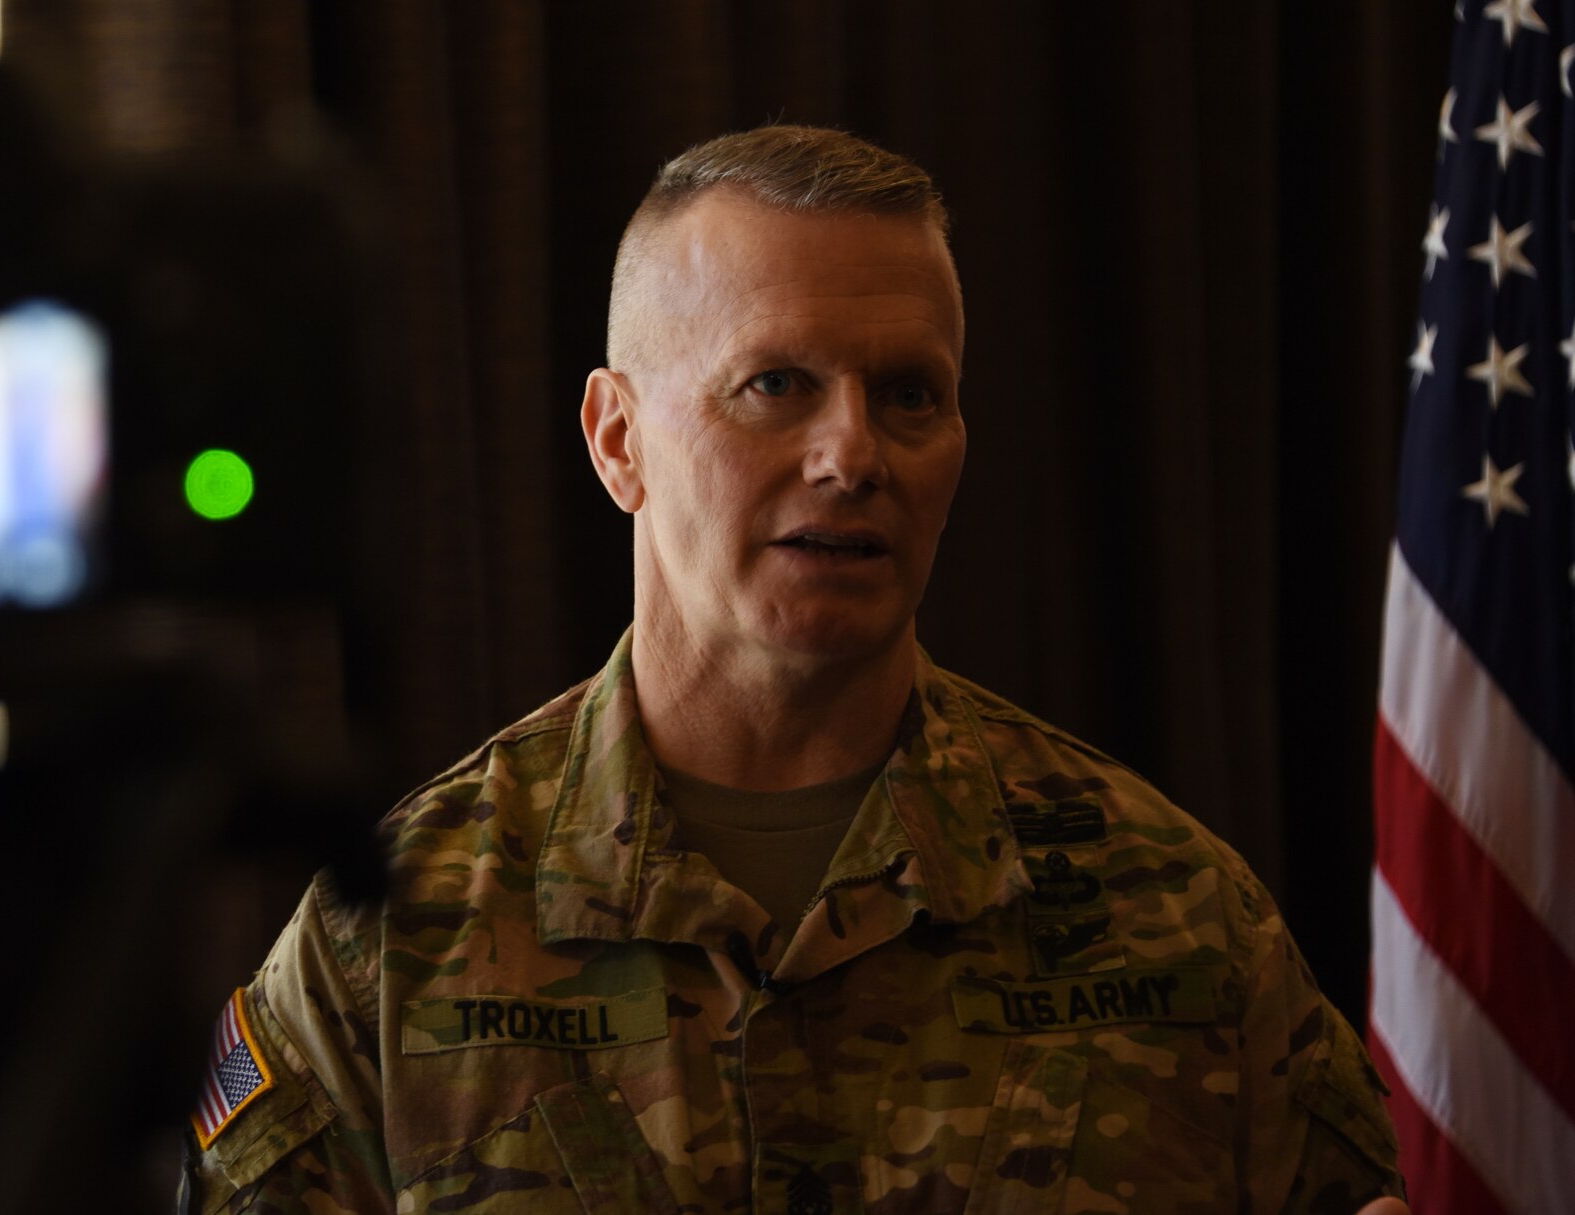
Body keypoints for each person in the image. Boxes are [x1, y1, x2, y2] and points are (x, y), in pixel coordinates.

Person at [184, 126, 1406, 1214]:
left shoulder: (1173, 915)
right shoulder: (392, 949)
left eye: (909, 394)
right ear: (619, 442)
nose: (850, 453)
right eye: (776, 385)